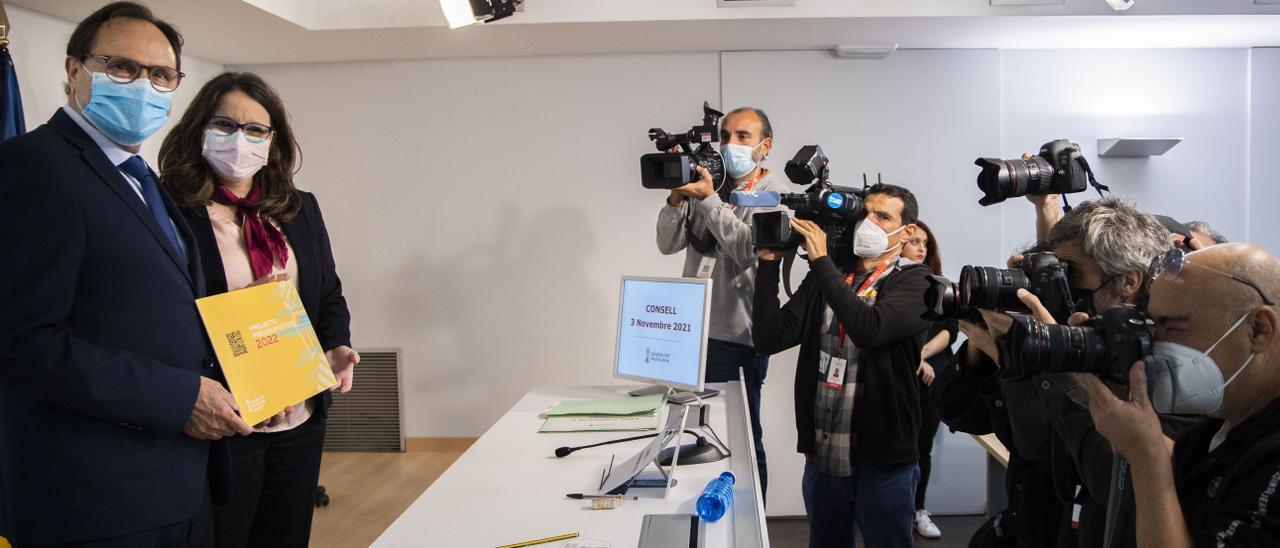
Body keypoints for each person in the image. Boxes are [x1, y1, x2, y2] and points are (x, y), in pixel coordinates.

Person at [0, 3, 251, 546]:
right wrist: (178, 398)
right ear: (74, 71)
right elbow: (21, 341)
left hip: (178, 482)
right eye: (122, 68)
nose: (144, 85)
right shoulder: (33, 167)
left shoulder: (142, 177)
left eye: (160, 75)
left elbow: (158, 310)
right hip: (94, 497)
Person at [158, 71, 357, 548]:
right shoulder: (168, 208)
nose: (239, 139)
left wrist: (337, 343)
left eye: (255, 130)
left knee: (286, 535)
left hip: (299, 415)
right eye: (224, 125)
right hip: (225, 418)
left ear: (273, 139)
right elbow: (164, 315)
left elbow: (327, 294)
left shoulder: (298, 208)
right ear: (199, 129)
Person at [938, 196, 1182, 547]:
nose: (1060, 287)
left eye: (1070, 274)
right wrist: (1016, 354)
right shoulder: (1088, 339)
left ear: (1128, 281)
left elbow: (1109, 478)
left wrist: (1061, 364)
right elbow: (1035, 445)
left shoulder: (1166, 360)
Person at [753, 183, 931, 548]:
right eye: (864, 214)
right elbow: (770, 338)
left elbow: (870, 328)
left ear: (907, 230)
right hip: (825, 451)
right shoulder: (829, 277)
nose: (869, 223)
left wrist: (821, 262)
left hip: (882, 460)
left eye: (883, 216)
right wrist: (769, 264)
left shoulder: (917, 281)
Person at [1080, 243, 1280, 546]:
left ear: (1259, 330)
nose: (1153, 344)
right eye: (1150, 324)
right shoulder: (1224, 420)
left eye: (1172, 325)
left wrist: (1144, 455)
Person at [656, 106, 786, 494]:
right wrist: (677, 200)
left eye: (743, 136)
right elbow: (668, 244)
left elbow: (748, 249)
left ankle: (752, 521)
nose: (731, 144)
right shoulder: (707, 184)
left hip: (738, 336)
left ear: (765, 146)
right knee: (693, 432)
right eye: (726, 135)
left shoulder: (772, 195)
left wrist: (710, 199)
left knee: (742, 437)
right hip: (692, 331)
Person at [901, 220, 956, 540]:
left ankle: (917, 510)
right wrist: (914, 359)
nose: (921, 248)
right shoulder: (887, 284)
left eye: (925, 243)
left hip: (931, 377)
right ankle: (896, 510)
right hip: (901, 376)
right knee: (898, 449)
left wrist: (921, 356)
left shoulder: (942, 285)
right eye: (915, 242)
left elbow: (951, 330)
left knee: (922, 448)